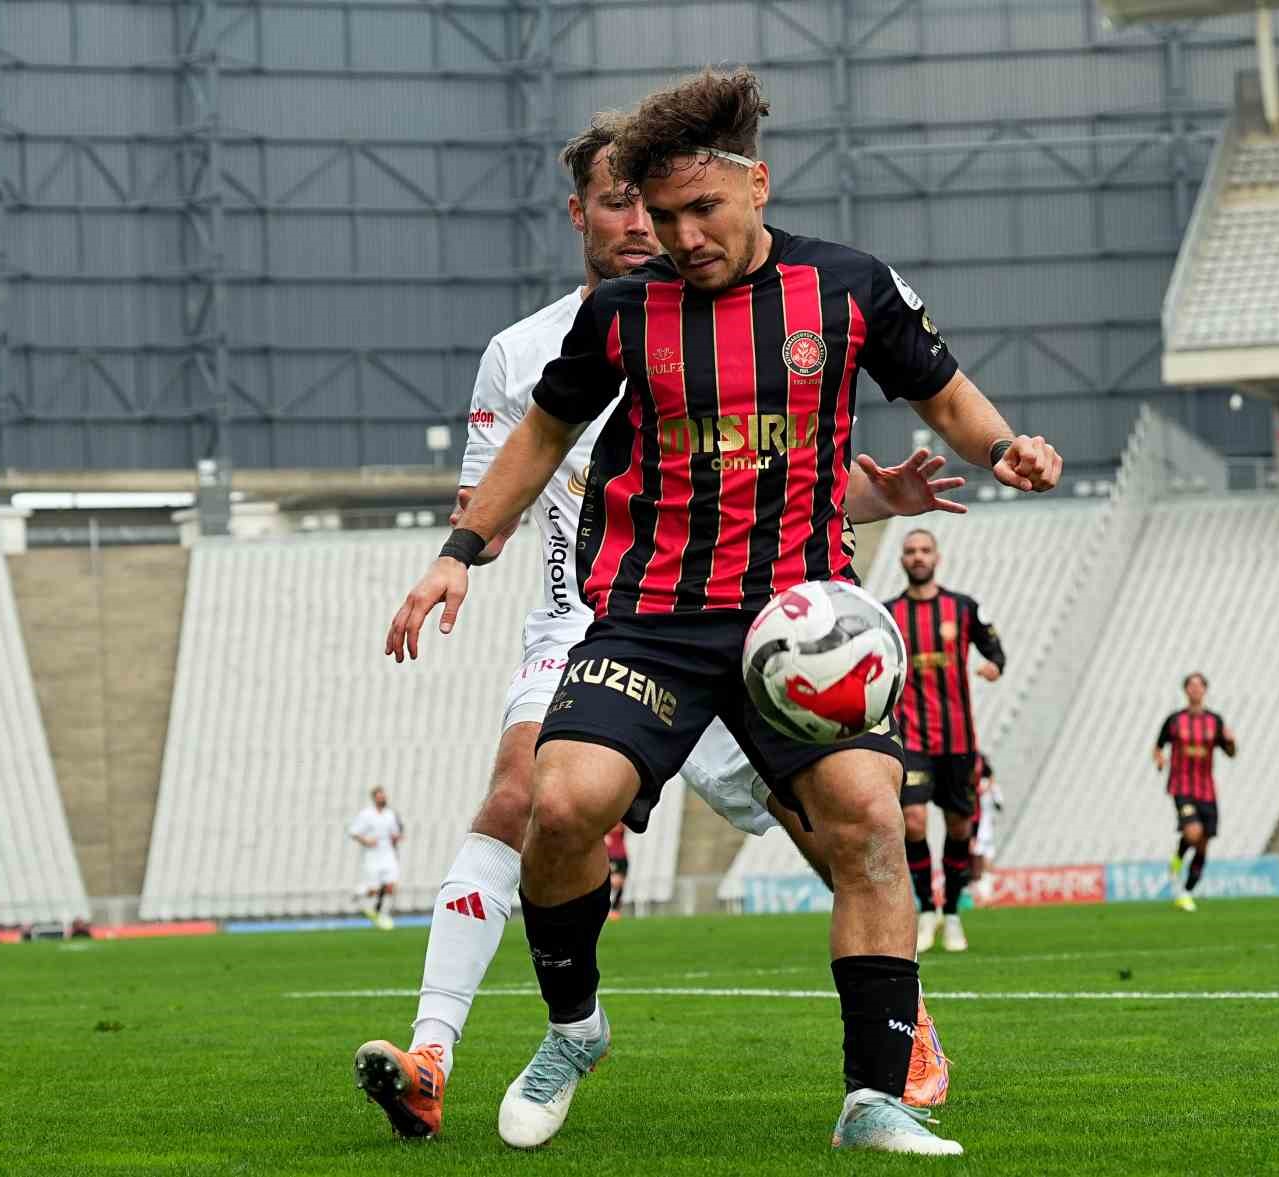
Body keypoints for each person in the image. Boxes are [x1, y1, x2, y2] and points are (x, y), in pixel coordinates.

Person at [384, 68, 1060, 1156]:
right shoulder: (618, 314)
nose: (682, 236)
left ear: (757, 184)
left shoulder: (845, 289)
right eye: (662, 216)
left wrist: (1003, 444)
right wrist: (461, 552)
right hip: (650, 617)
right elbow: (542, 441)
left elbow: (938, 389)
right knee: (557, 806)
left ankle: (873, 1097)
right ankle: (572, 1029)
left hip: (795, 616)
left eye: (703, 209)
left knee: (868, 819)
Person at [884, 529, 1005, 952]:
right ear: (902, 560)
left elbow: (995, 649)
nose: (917, 557)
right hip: (911, 738)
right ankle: (927, 909)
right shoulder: (887, 614)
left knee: (958, 828)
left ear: (937, 556)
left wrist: (993, 666)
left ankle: (952, 911)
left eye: (924, 550)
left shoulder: (964, 608)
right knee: (913, 822)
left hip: (958, 742)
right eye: (910, 551)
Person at [1154, 673, 1236, 913]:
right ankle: (1178, 859)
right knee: (1192, 832)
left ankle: (1186, 892)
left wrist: (1231, 742)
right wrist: (1159, 759)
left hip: (1207, 790)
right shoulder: (1174, 720)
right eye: (1191, 686)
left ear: (1205, 690)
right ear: (1186, 691)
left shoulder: (1215, 721)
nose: (1195, 690)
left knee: (1202, 844)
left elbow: (1230, 752)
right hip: (1182, 786)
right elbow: (1158, 746)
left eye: (1199, 686)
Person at [349, 787, 402, 929]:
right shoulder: (366, 814)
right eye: (379, 797)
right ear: (374, 798)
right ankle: (359, 892)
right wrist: (366, 841)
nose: (382, 799)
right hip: (372, 855)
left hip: (388, 854)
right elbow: (353, 832)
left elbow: (396, 833)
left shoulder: (390, 814)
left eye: (383, 796)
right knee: (374, 890)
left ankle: (381, 913)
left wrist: (396, 839)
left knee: (391, 886)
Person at [969, 753, 1002, 907]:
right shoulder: (975, 785)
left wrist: (992, 787)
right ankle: (981, 896)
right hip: (978, 830)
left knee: (986, 864)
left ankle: (985, 896)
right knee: (979, 864)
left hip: (987, 829)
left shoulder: (989, 785)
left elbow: (1000, 804)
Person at [604, 823, 628, 918]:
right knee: (614, 882)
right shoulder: (606, 825)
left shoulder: (620, 824)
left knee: (621, 884)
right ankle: (608, 908)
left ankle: (615, 909)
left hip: (622, 857)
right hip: (612, 857)